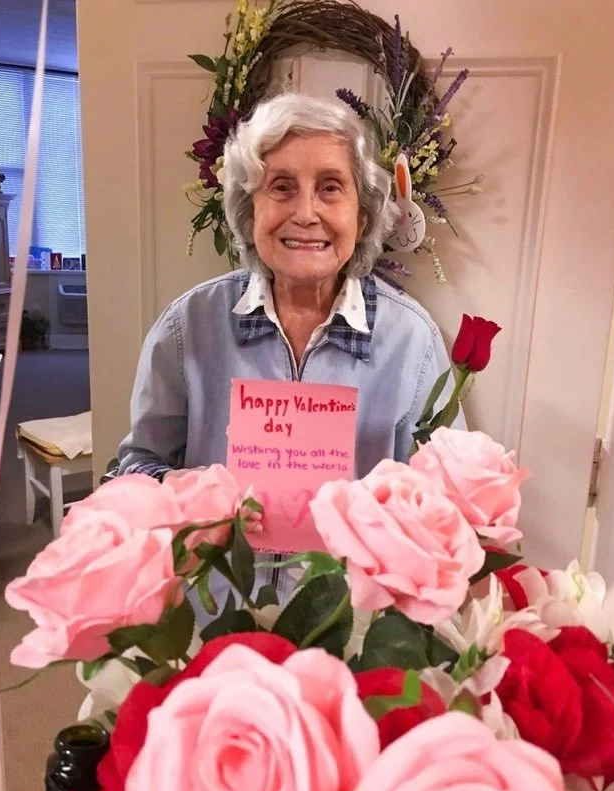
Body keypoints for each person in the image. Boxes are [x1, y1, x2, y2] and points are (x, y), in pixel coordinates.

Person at [116, 92, 464, 604]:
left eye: (330, 188)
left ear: (363, 216)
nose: (305, 213)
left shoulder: (412, 340)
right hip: (217, 617)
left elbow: (446, 502)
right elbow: (137, 466)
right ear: (249, 209)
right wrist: (193, 501)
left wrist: (385, 520)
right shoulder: (188, 327)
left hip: (349, 623)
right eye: (281, 186)